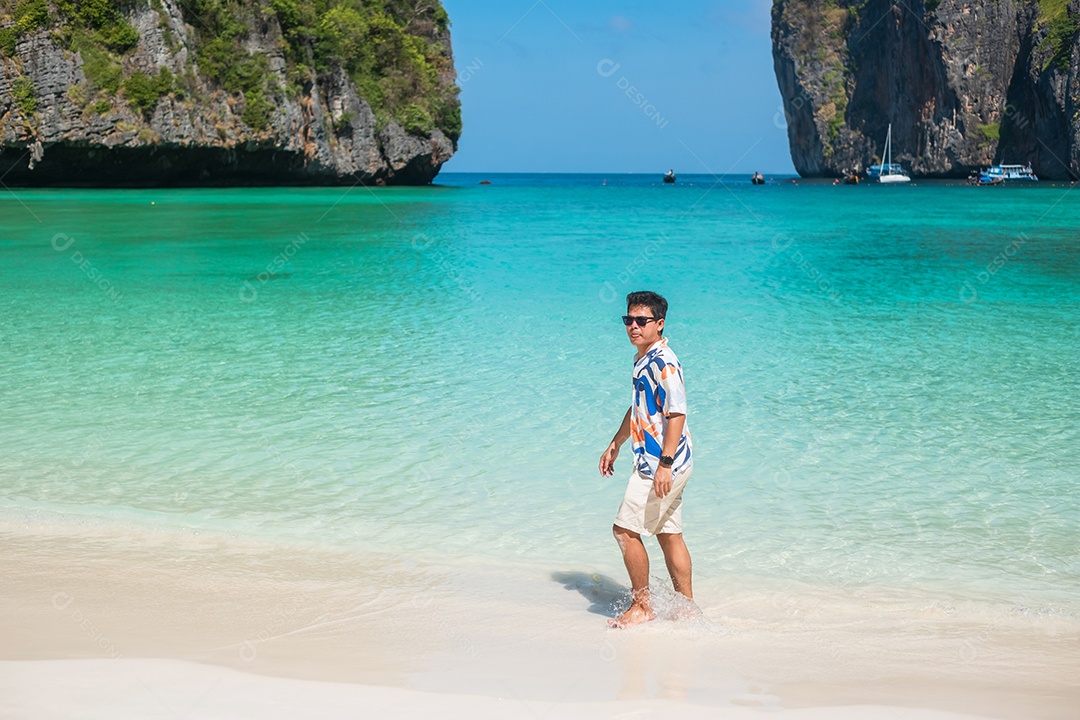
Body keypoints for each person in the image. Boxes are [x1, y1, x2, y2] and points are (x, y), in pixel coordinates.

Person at [599, 290, 695, 628]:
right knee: (669, 534)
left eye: (642, 321)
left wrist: (664, 465)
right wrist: (616, 443)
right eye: (629, 320)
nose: (634, 327)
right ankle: (686, 609)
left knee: (624, 531)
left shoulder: (663, 361)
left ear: (659, 323)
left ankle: (643, 606)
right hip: (669, 462)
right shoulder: (644, 358)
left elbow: (677, 413)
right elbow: (640, 408)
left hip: (660, 465)